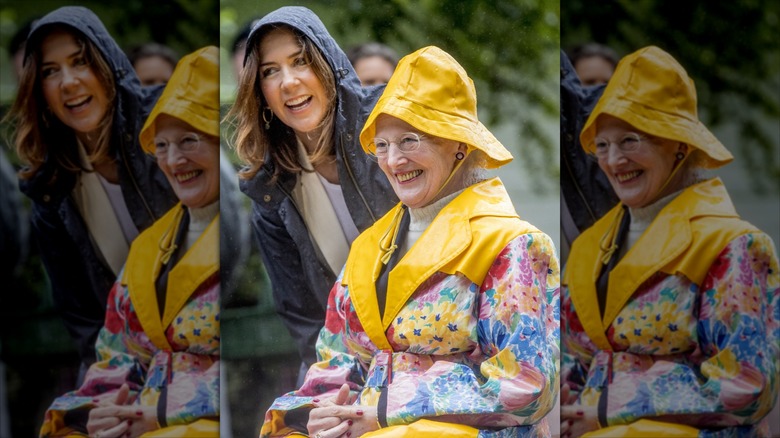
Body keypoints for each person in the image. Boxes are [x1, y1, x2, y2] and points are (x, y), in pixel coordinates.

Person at [260, 45, 560, 438]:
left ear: (459, 144)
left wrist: (389, 412)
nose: (393, 160)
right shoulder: (368, 247)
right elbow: (337, 364)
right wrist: (313, 415)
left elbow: (527, 384)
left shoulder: (513, 245)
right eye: (382, 146)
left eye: (410, 140)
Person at [561, 46, 779, 437]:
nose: (613, 161)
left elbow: (747, 384)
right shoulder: (591, 245)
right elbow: (585, 359)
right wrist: (564, 395)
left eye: (630, 140)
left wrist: (613, 410)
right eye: (604, 146)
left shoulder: (734, 246)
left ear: (679, 143)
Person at [39, 46, 221, 438]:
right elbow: (117, 357)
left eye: (189, 140)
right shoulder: (147, 248)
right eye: (162, 145)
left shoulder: (252, 237)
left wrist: (160, 413)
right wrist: (100, 412)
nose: (174, 161)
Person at [5, 6, 176, 374]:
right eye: (51, 71)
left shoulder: (165, 124)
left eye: (80, 62)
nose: (67, 82)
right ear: (39, 89)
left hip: (196, 344)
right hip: (125, 363)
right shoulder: (49, 188)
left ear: (107, 64)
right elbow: (83, 321)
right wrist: (110, 386)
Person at [228, 6, 396, 380]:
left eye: (300, 61)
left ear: (328, 65)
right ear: (260, 91)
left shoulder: (388, 130)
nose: (288, 82)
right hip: (352, 367)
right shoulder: (268, 190)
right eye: (271, 71)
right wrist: (336, 383)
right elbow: (303, 317)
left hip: (438, 343)